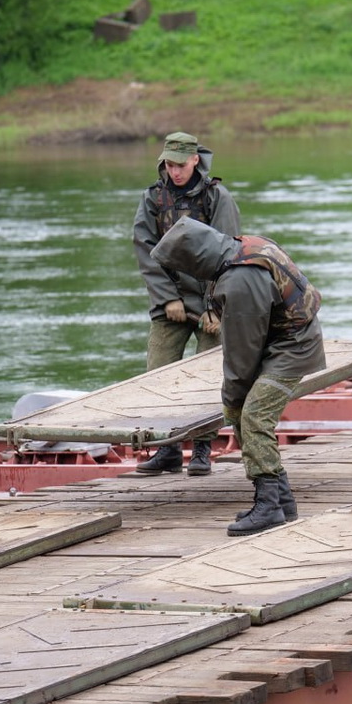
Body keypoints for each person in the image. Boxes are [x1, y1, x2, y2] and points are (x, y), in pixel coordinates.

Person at [151, 216, 326, 536]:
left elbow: (241, 354)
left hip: (293, 348)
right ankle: (280, 499)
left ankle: (269, 505)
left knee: (253, 416)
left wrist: (232, 398)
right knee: (246, 412)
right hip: (286, 339)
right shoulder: (244, 247)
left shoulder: (239, 281)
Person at [133, 131, 242, 476]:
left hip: (212, 301)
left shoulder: (217, 198)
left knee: (209, 375)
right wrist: (168, 299)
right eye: (169, 164)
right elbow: (146, 252)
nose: (175, 171)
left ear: (196, 160)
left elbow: (229, 254)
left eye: (180, 164)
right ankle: (167, 448)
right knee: (160, 374)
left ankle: (202, 448)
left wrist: (214, 305)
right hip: (171, 303)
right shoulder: (153, 198)